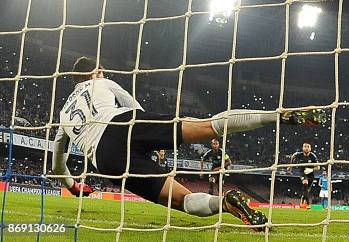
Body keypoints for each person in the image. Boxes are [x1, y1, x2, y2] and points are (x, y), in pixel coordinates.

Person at [52, 57, 326, 231]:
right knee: (208, 126)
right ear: (97, 71)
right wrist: (156, 138)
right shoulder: (104, 83)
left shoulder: (64, 114)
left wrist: (73, 186)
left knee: (183, 201)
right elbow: (134, 107)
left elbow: (57, 162)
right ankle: (278, 116)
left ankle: (225, 203)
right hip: (127, 124)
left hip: (107, 158)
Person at [289, 142, 319, 208]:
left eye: (308, 147)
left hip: (310, 173)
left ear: (310, 148)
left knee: (307, 190)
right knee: (305, 183)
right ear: (302, 148)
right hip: (302, 172)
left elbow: (318, 167)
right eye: (305, 147)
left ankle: (302, 198)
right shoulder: (299, 154)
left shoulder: (313, 156)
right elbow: (293, 156)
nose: (306, 148)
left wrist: (311, 169)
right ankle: (308, 204)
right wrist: (291, 166)